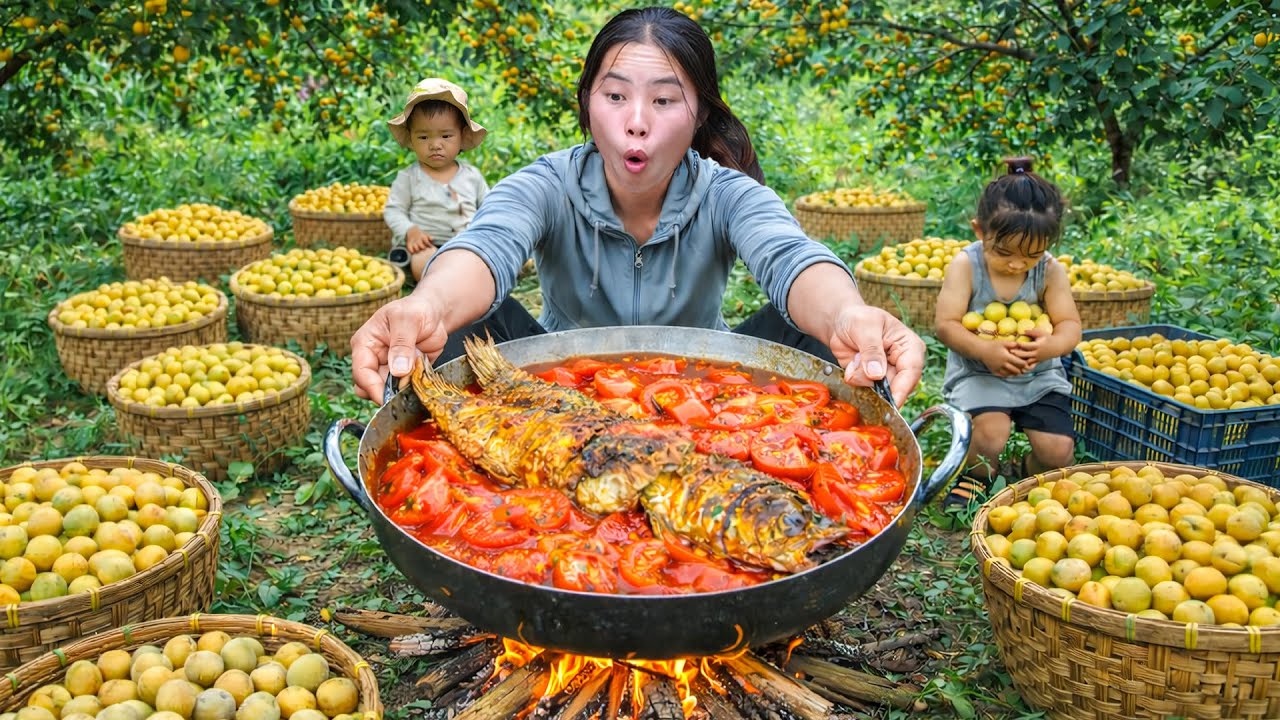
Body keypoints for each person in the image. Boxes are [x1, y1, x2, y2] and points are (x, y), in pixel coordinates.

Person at [351, 7, 925, 407]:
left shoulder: (725, 192)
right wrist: (426, 304)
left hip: (705, 388)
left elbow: (790, 256)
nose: (637, 121)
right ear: (588, 102)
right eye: (616, 95)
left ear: (699, 113)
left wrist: (849, 315)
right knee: (451, 325)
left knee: (827, 334)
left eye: (665, 99)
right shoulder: (548, 183)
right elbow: (486, 246)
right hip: (553, 388)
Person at [934, 156, 1082, 508]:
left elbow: (1069, 327)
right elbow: (946, 325)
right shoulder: (966, 266)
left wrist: (1047, 348)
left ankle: (1027, 471)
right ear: (980, 231)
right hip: (979, 372)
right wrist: (985, 351)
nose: (1017, 264)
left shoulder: (1049, 271)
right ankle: (978, 477)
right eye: (1005, 253)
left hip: (1037, 374)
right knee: (990, 435)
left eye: (1031, 255)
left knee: (1058, 451)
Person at [384, 78, 490, 281]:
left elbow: (489, 208)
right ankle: (439, 285)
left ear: (462, 136)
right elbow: (394, 210)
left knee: (483, 259)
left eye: (446, 136)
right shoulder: (409, 178)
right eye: (424, 137)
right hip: (425, 244)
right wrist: (410, 231)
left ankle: (467, 279)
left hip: (466, 242)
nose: (435, 145)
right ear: (412, 139)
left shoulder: (472, 177)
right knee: (423, 262)